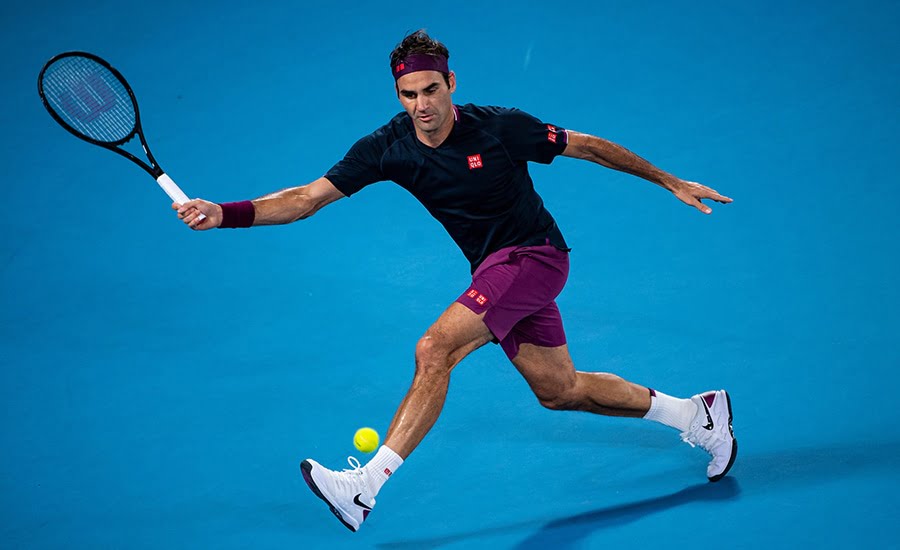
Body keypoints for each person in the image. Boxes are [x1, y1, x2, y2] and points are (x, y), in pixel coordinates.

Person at [174, 30, 736, 532]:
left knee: (434, 348)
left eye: (430, 90)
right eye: (409, 94)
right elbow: (307, 198)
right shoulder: (387, 146)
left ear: (451, 84)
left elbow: (586, 145)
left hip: (534, 257)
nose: (421, 105)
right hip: (495, 270)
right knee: (560, 392)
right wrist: (225, 212)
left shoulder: (500, 128)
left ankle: (364, 488)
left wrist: (668, 179)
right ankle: (698, 415)